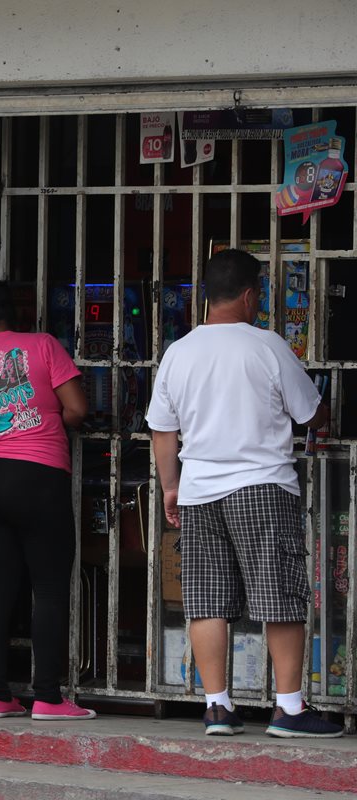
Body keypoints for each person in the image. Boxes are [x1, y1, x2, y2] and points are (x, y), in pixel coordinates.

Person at [147, 248, 343, 738]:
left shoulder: (179, 352)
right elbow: (310, 413)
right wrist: (324, 415)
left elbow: (163, 432)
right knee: (279, 597)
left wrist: (171, 487)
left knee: (207, 600)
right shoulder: (267, 346)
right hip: (262, 486)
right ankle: (289, 710)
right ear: (252, 294)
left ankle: (217, 708)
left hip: (199, 492)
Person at [0, 282, 94, 721]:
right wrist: (46, 421)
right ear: (16, 319)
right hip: (39, 476)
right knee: (47, 589)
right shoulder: (43, 345)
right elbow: (77, 409)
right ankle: (48, 697)